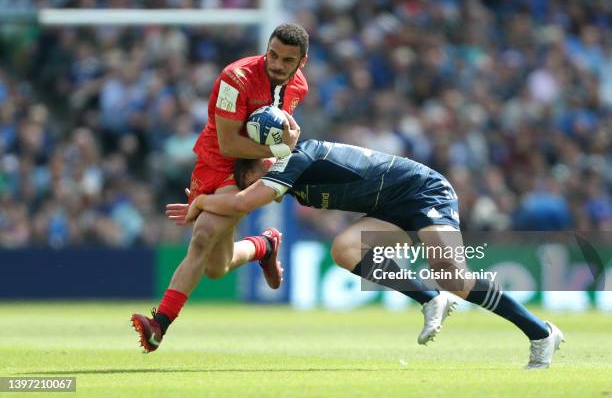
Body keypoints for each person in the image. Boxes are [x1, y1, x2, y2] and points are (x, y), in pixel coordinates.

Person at [168, 139, 565, 369]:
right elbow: (241, 201)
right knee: (344, 250)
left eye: (249, 174)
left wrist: (201, 204)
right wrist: (204, 204)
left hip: (423, 190)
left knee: (453, 275)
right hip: (390, 207)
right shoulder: (282, 172)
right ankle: (429, 298)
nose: (250, 182)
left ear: (264, 161)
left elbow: (240, 203)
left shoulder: (292, 160)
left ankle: (541, 333)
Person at [131, 23, 309, 353]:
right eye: (273, 55)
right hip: (215, 160)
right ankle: (264, 245)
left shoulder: (299, 87)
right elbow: (228, 144)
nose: (277, 64)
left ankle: (159, 325)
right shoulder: (235, 77)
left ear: (302, 61)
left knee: (201, 237)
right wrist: (282, 149)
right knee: (216, 267)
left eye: (287, 60)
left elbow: (268, 136)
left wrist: (273, 157)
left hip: (250, 169)